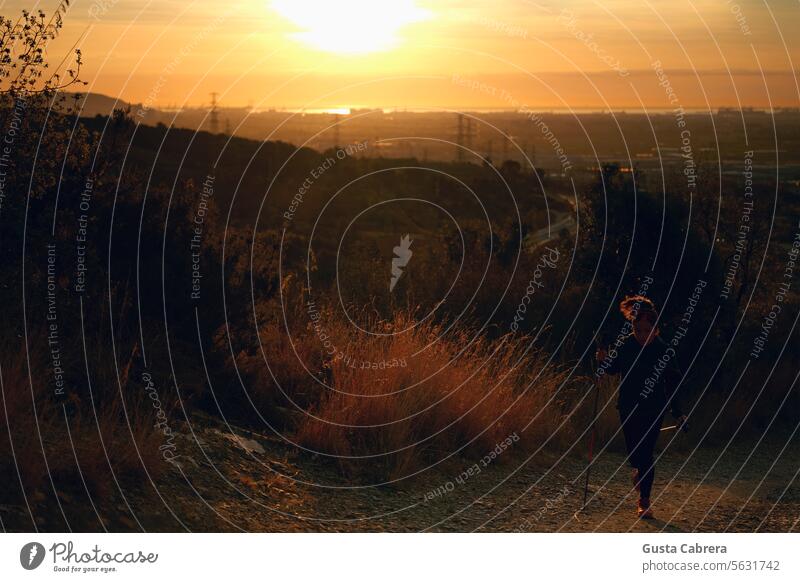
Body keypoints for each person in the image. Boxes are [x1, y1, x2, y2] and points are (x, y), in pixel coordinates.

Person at [596, 295, 687, 519]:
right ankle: (638, 472)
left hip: (654, 408)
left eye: (647, 331)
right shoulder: (626, 345)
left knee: (646, 454)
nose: (642, 336)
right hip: (627, 406)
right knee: (635, 454)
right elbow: (612, 369)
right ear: (633, 328)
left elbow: (672, 385)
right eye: (638, 331)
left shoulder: (664, 351)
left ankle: (644, 501)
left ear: (656, 329)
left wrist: (678, 412)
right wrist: (603, 360)